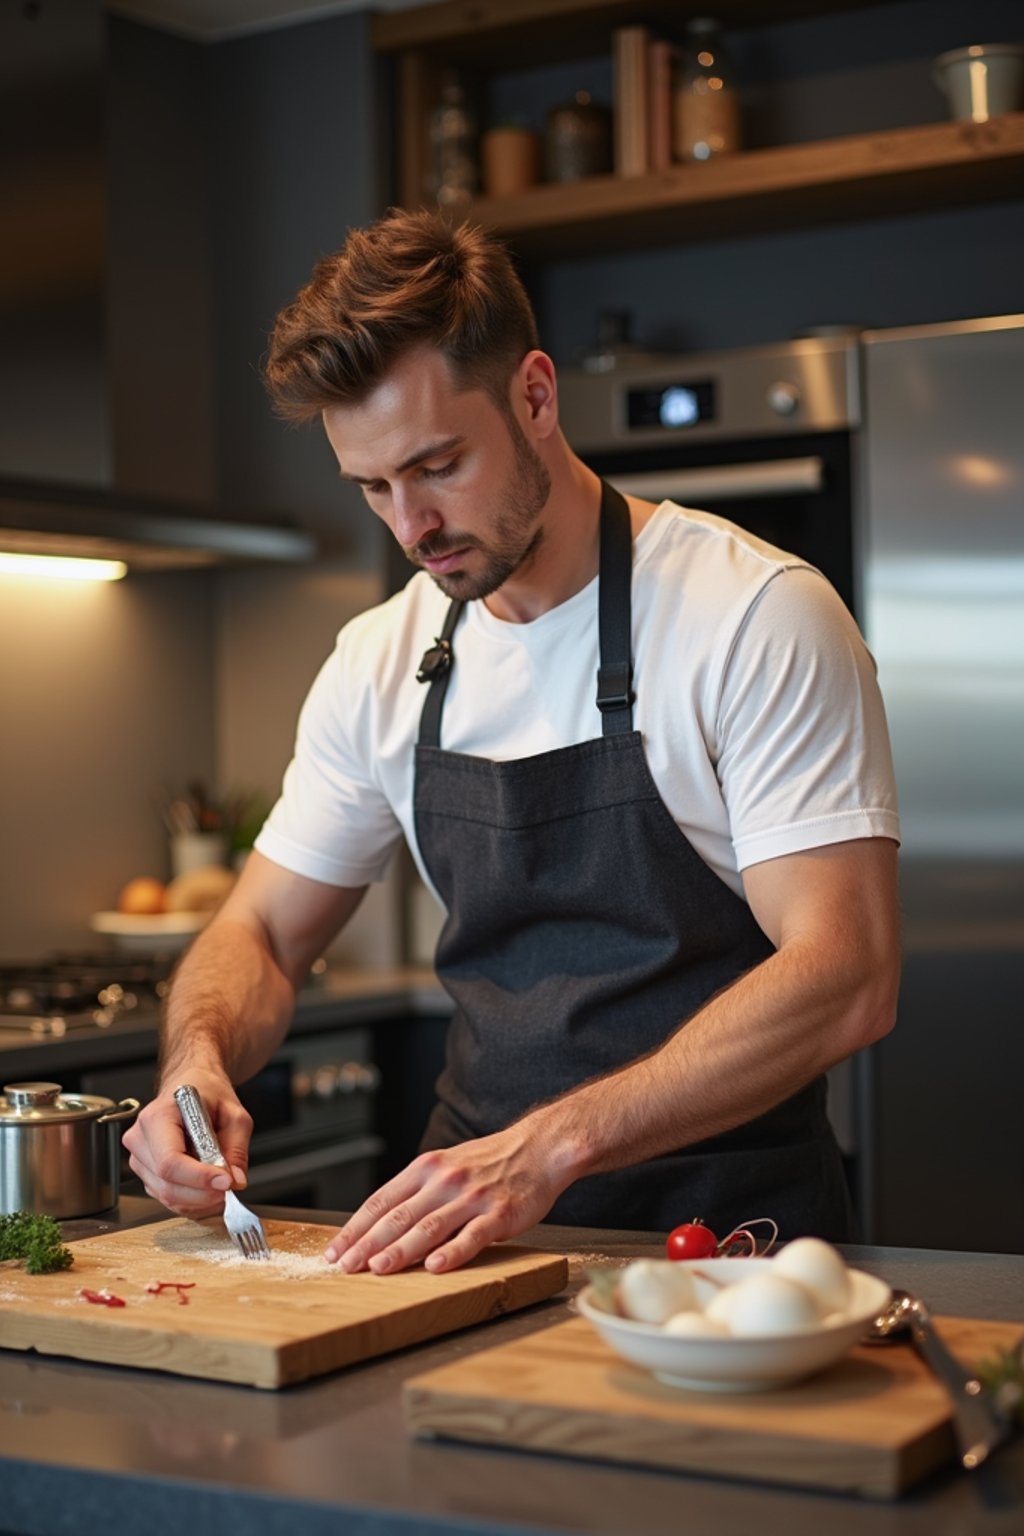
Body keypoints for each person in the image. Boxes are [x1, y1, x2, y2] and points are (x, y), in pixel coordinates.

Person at [123, 209, 901, 1276]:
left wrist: (547, 1147)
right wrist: (194, 1060)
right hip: (473, 1235)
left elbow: (845, 971)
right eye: (372, 486)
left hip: (728, 1238)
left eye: (437, 466)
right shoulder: (379, 658)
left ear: (536, 394)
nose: (409, 526)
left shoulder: (750, 614)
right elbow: (259, 931)